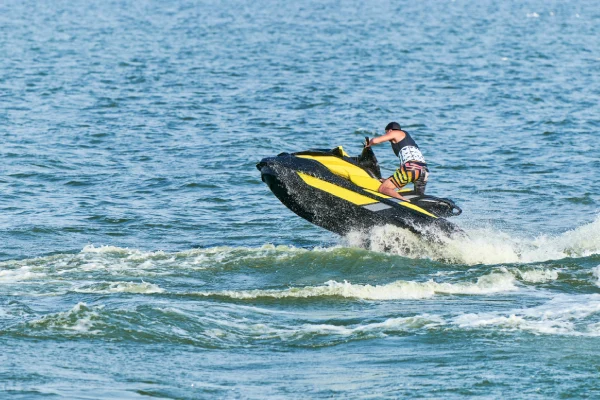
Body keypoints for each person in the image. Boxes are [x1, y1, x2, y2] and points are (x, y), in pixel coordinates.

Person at [365, 122, 429, 201]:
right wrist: (388, 180)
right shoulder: (408, 142)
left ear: (390, 131)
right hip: (423, 170)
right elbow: (404, 170)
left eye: (386, 133)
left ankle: (405, 203)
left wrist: (368, 144)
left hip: (411, 168)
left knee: (383, 188)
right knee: (418, 197)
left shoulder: (395, 133)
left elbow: (375, 140)